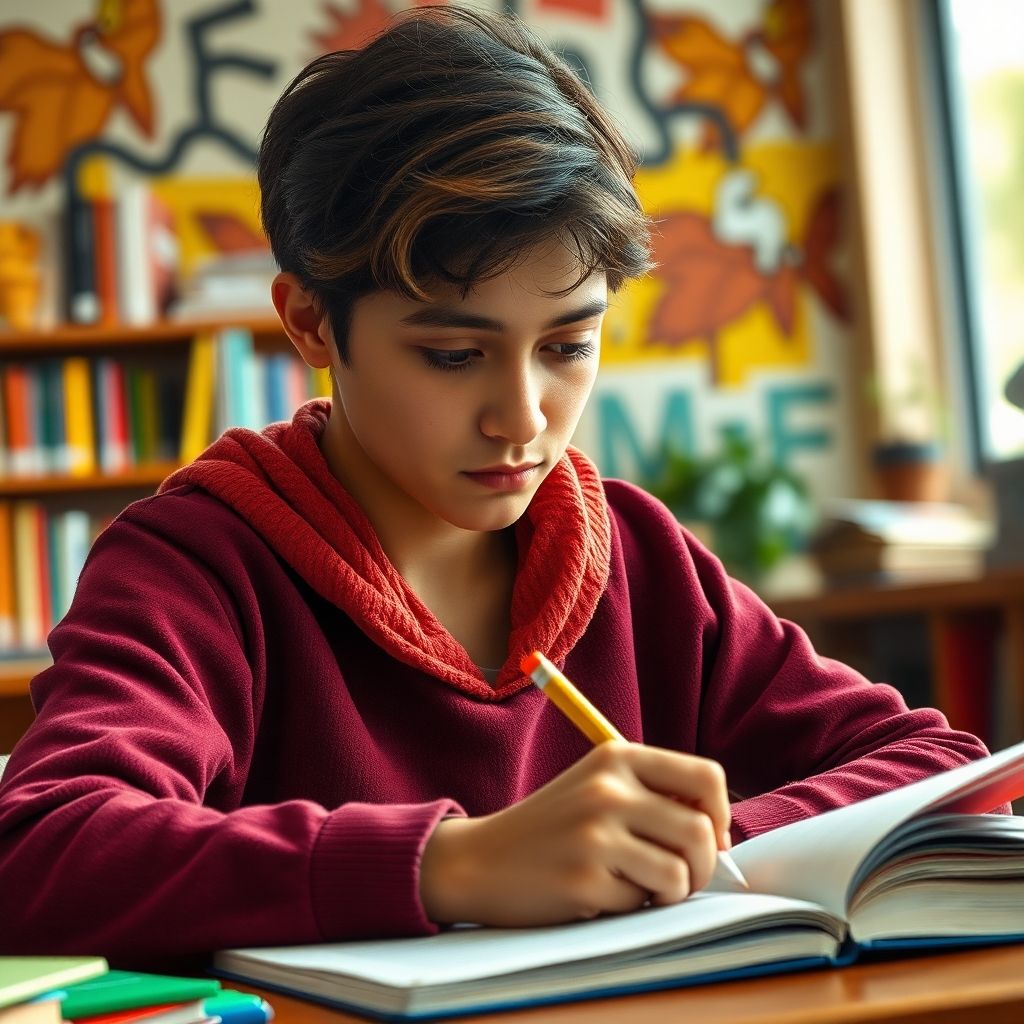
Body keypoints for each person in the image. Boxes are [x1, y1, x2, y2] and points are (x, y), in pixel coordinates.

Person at [0, 6, 1002, 966]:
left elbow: (937, 766)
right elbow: (38, 852)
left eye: (568, 343)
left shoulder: (633, 554)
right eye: (450, 354)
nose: (521, 416)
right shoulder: (195, 567)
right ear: (309, 325)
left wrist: (683, 844)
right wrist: (455, 865)